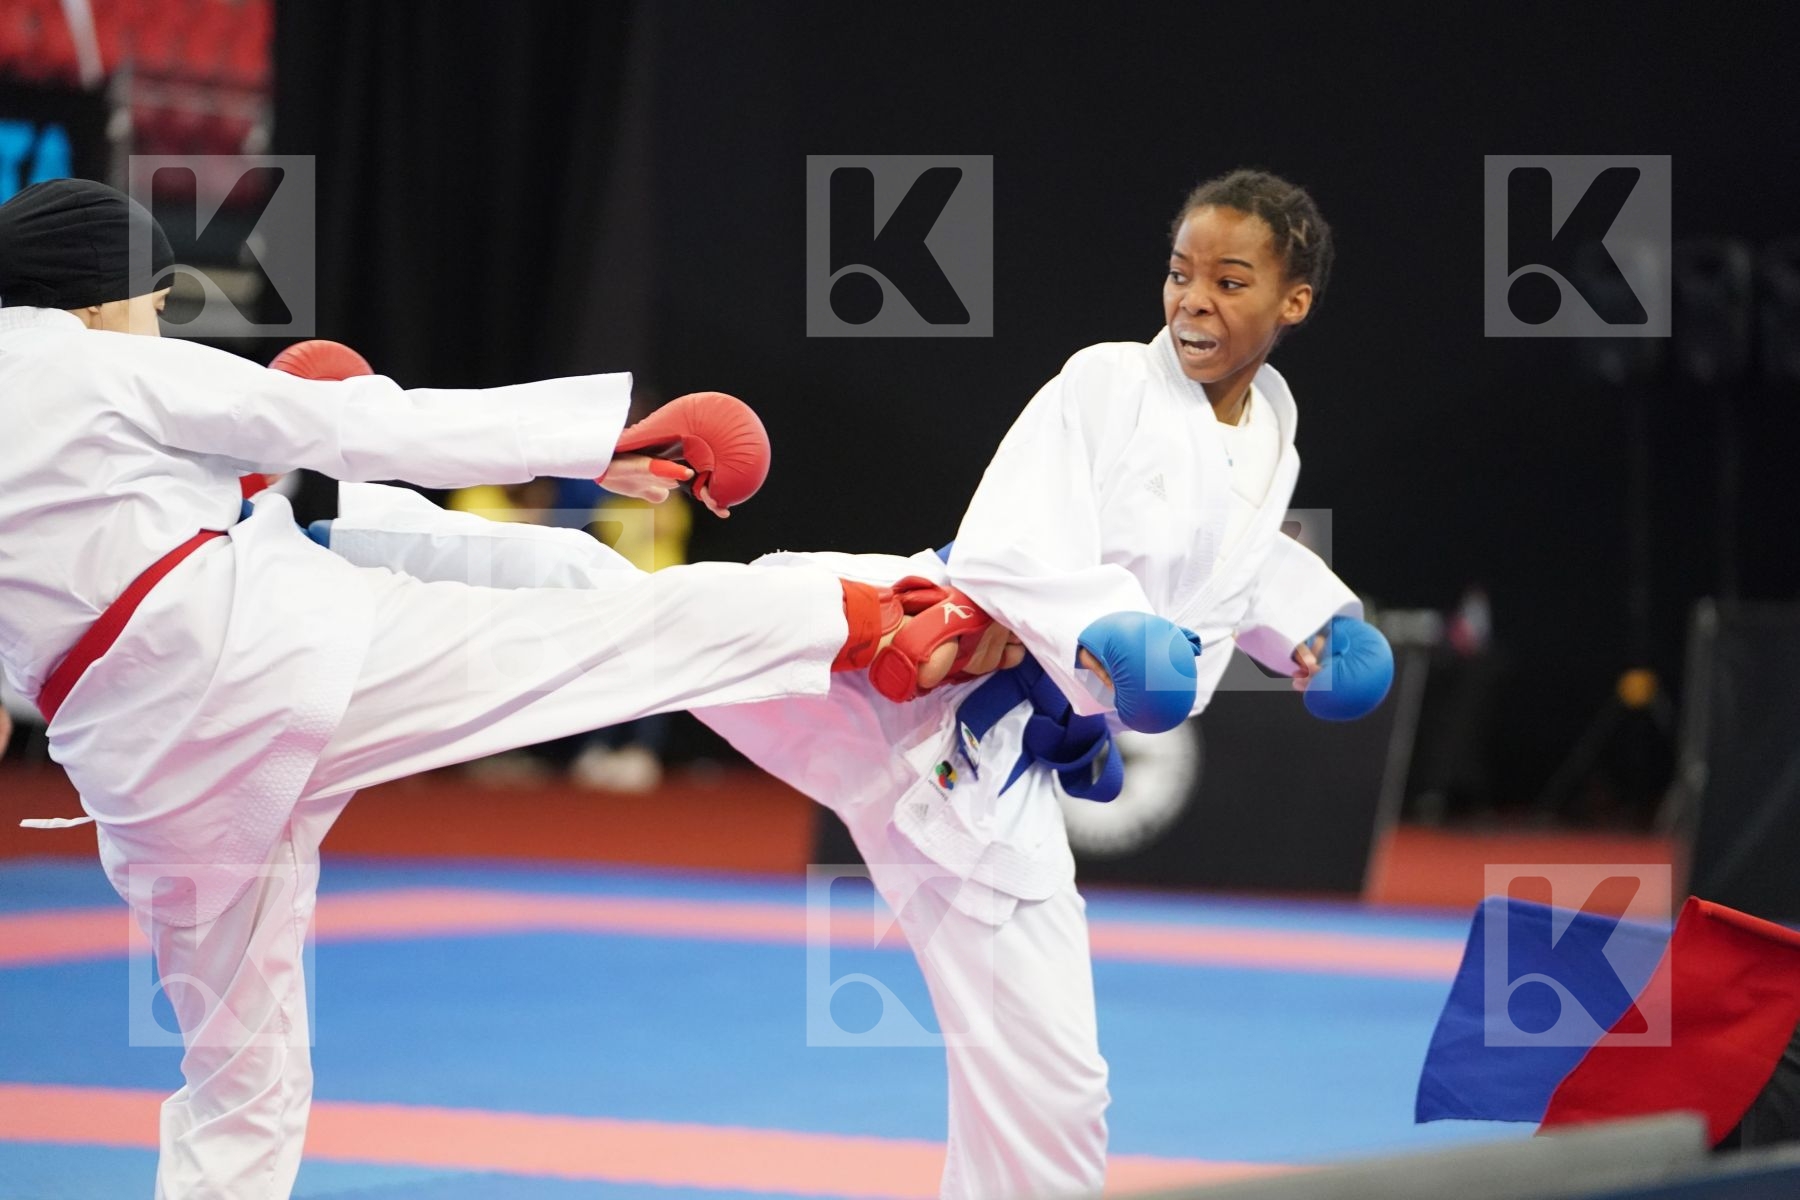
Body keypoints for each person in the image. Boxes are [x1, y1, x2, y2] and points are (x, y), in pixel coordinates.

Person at [309, 169, 1395, 1200]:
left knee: (1055, 1098)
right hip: (892, 651)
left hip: (978, 778)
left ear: (1293, 300)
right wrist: (1109, 629)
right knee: (653, 617)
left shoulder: (1273, 428)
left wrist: (1313, 622)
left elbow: (1231, 556)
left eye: (1228, 280)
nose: (1191, 300)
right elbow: (1009, 545)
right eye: (1179, 270)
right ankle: (383, 536)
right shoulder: (1110, 381)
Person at [0, 177, 997, 1200]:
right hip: (257, 664)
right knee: (603, 634)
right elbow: (351, 429)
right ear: (90, 299)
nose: (158, 321)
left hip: (150, 779)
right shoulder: (91, 361)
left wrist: (255, 477)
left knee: (235, 1078)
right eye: (150, 301)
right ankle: (885, 618)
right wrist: (594, 444)